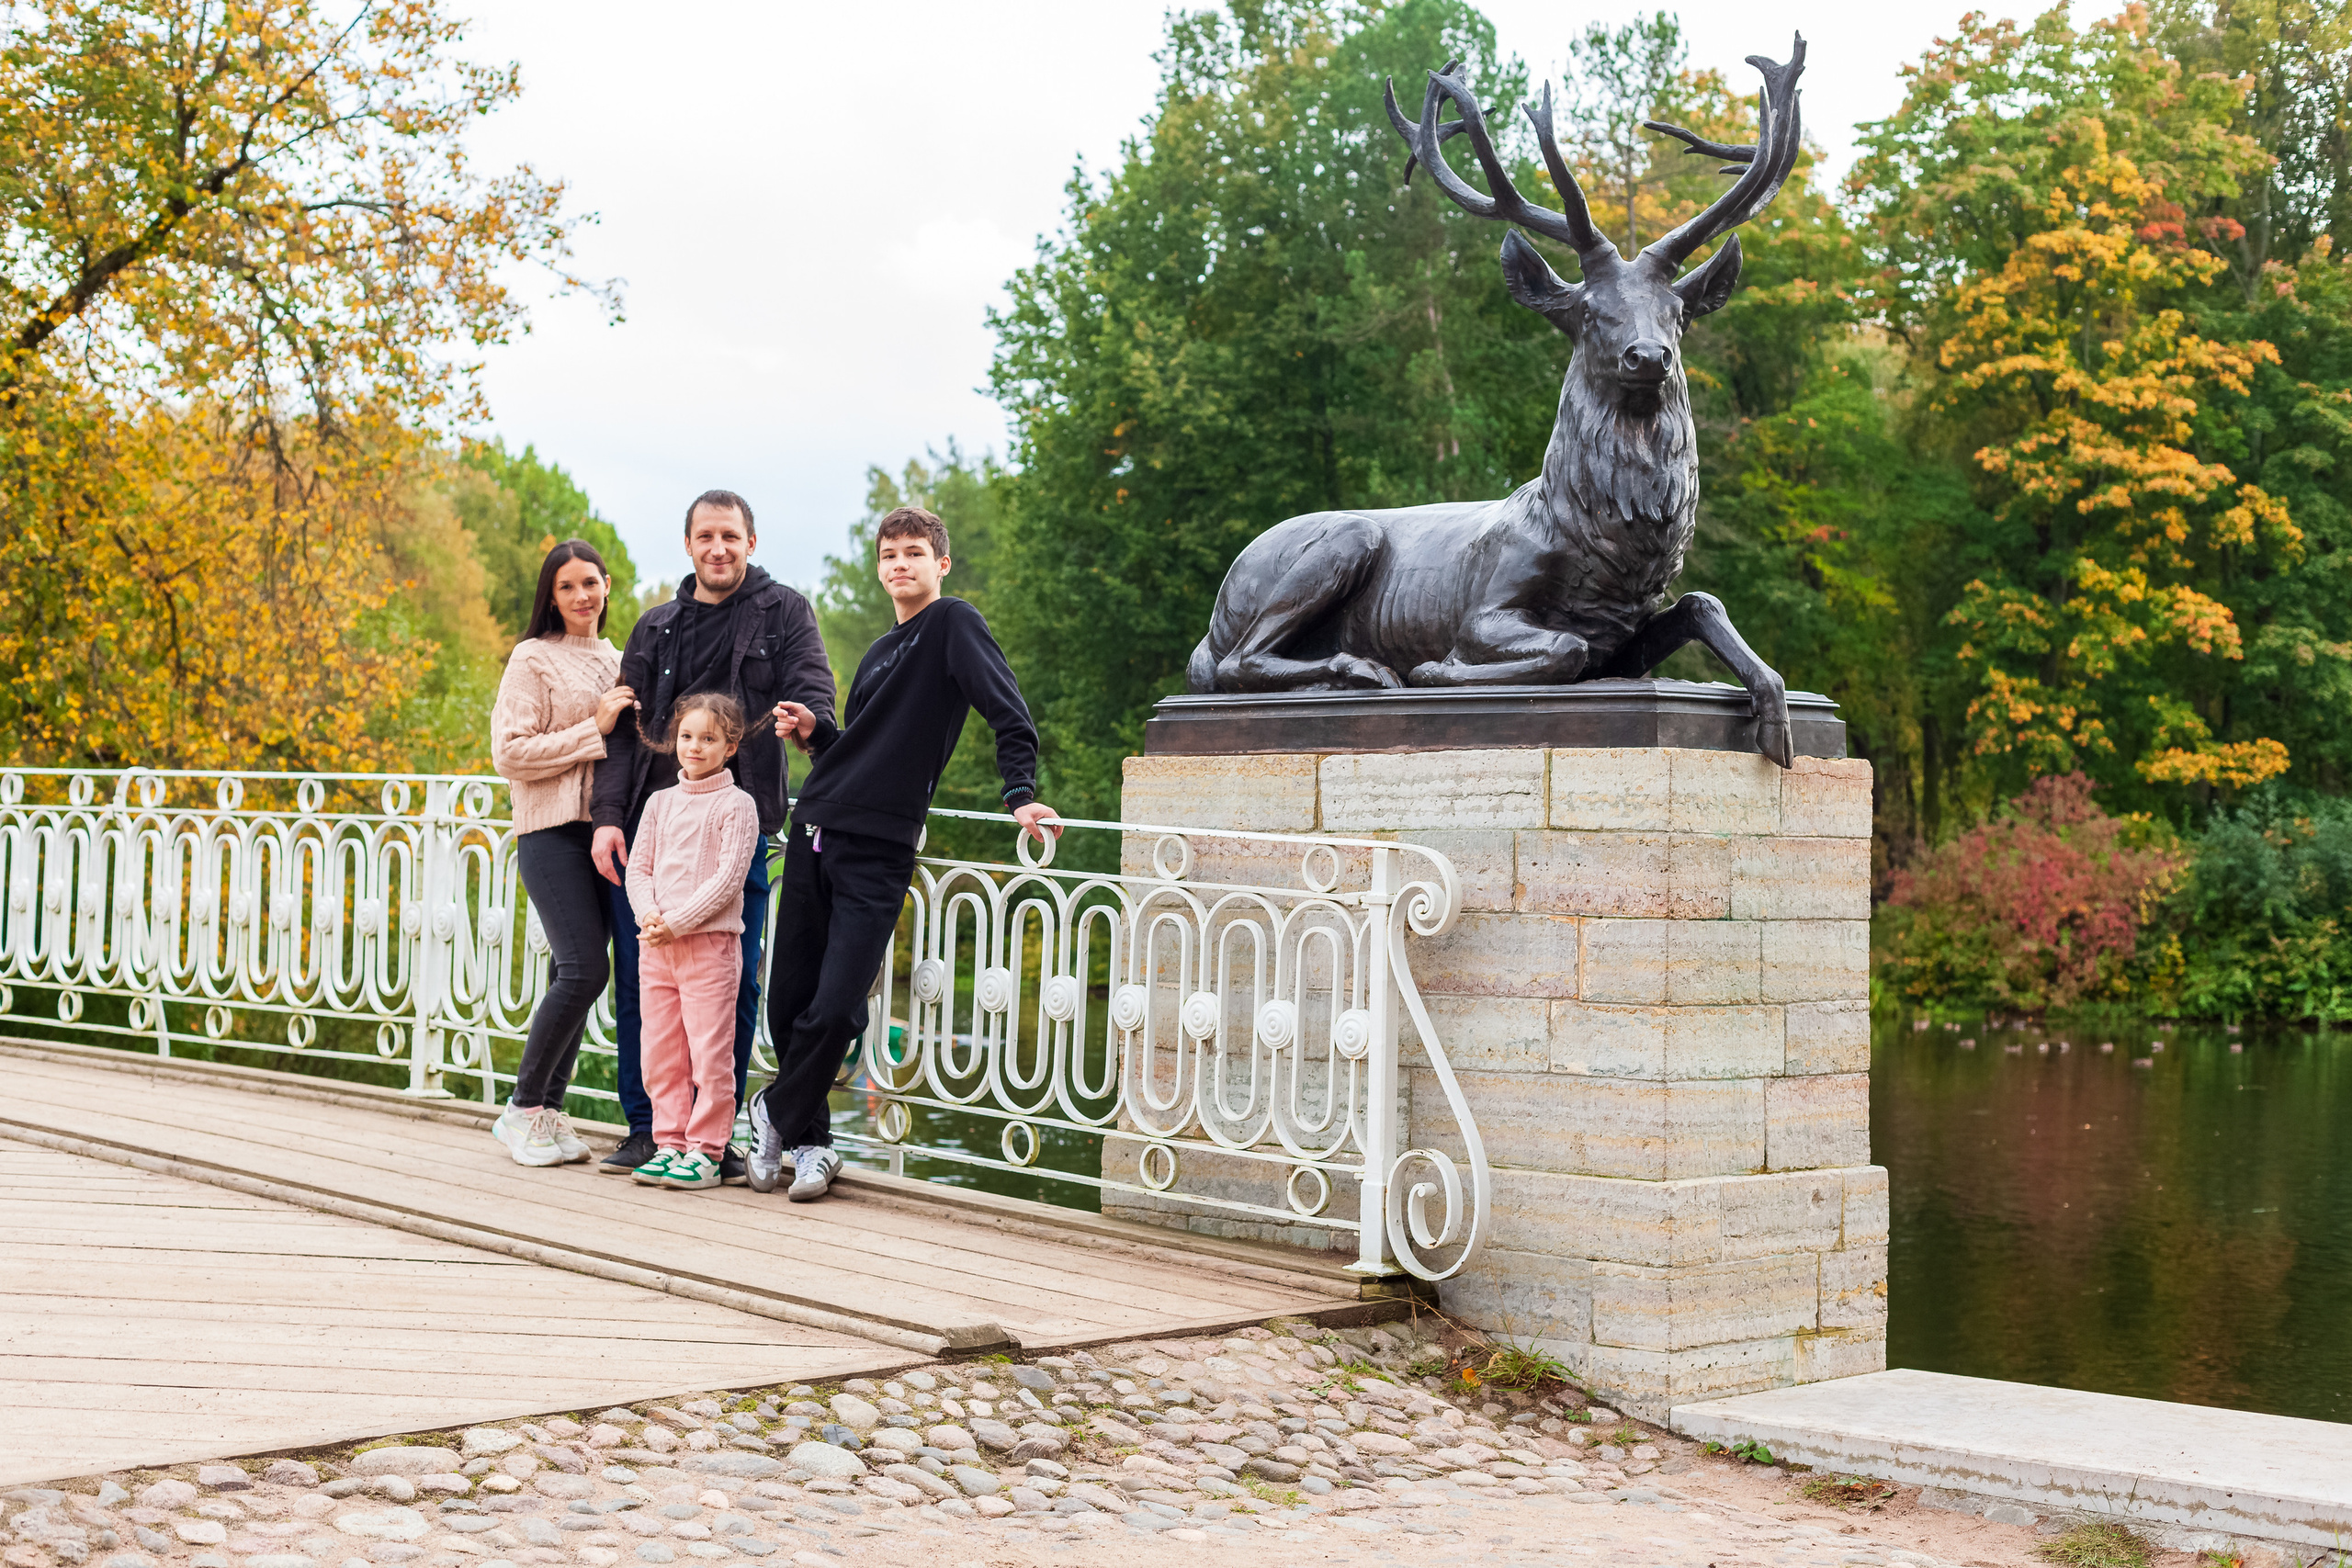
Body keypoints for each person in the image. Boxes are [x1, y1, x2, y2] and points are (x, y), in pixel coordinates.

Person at [749, 505, 1059, 1201]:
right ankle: (812, 1143)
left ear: (941, 564)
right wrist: (817, 733)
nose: (899, 563)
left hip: (879, 849)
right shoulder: (882, 649)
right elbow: (861, 749)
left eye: (914, 552)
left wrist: (1020, 794)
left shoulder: (954, 625)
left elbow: (1008, 712)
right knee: (790, 1002)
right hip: (814, 829)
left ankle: (772, 1110)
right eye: (889, 553)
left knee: (835, 1007)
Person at [589, 490, 833, 1179]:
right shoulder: (656, 626)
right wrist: (610, 818)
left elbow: (815, 687)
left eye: (730, 535)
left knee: (731, 984)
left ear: (750, 543)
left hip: (736, 823)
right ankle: (652, 1133)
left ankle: (715, 1139)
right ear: (689, 545)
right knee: (645, 983)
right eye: (706, 536)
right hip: (652, 825)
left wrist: (808, 719)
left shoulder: (782, 610)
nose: (718, 547)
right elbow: (621, 738)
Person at [487, 540, 632, 1167]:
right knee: (583, 969)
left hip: (603, 830)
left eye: (590, 583)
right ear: (551, 595)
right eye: (567, 586)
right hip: (547, 830)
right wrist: (591, 731)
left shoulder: (619, 659)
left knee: (572, 970)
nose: (581, 596)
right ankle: (520, 1107)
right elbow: (509, 752)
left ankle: (547, 1108)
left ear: (606, 586)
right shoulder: (532, 658)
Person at [623, 693, 763, 1190]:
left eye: (708, 739)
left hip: (708, 948)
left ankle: (705, 1151)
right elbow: (638, 869)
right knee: (660, 1053)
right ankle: (669, 1143)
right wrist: (650, 916)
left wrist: (676, 922)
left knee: (709, 1054)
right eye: (687, 737)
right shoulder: (660, 803)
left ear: (730, 745)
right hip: (656, 946)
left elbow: (727, 880)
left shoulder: (737, 805)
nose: (695, 747)